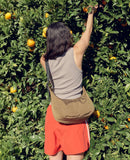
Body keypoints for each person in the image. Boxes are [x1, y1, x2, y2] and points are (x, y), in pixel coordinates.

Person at [40, 5, 98, 160]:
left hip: (55, 114)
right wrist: (91, 12)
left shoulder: (44, 60)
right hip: (75, 115)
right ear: (67, 36)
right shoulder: (76, 52)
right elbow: (88, 33)